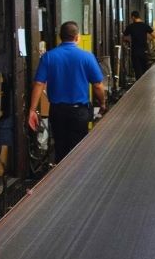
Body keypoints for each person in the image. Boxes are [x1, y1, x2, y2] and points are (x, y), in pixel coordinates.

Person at [28, 21, 107, 163]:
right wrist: (102, 103)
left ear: (60, 37)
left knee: (60, 148)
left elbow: (39, 83)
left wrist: (32, 110)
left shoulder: (48, 57)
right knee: (79, 150)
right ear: (77, 37)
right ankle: (78, 179)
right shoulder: (87, 57)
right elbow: (98, 85)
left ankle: (60, 180)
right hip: (80, 112)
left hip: (57, 111)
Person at [122, 10, 153, 78]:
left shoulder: (130, 26)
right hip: (144, 52)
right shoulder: (145, 26)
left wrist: (130, 40)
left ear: (133, 17)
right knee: (144, 70)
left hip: (135, 52)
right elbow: (154, 35)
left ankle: (138, 87)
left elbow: (124, 37)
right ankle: (144, 85)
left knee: (137, 71)